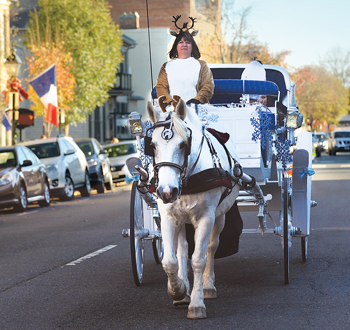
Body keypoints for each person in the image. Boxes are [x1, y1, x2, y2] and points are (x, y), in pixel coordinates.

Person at [156, 15, 214, 109]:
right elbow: (161, 87)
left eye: (187, 42)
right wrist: (170, 102)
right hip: (173, 110)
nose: (184, 45)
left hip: (197, 110)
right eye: (181, 42)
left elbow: (208, 85)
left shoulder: (201, 65)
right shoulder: (166, 66)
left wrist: (196, 101)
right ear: (176, 46)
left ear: (192, 45)